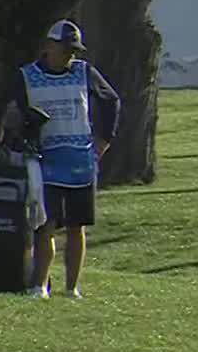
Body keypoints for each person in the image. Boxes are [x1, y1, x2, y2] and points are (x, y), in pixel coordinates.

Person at [11, 20, 120, 298]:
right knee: (44, 224)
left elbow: (111, 100)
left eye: (74, 51)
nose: (70, 56)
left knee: (76, 226)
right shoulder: (27, 77)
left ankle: (72, 288)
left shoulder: (84, 73)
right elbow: (15, 115)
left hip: (81, 160)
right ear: (49, 46)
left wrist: (103, 140)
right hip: (44, 160)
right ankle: (39, 286)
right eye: (65, 49)